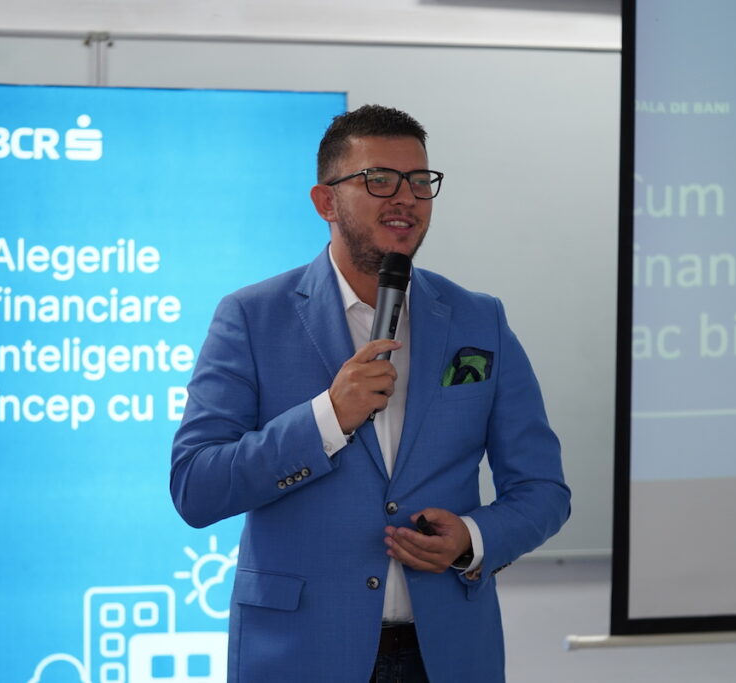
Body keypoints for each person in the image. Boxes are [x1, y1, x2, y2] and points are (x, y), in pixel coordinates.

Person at [170, 104, 570, 682]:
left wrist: (473, 539)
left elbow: (542, 490)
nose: (405, 198)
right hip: (301, 654)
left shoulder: (479, 321)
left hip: (448, 654)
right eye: (379, 180)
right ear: (325, 202)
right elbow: (196, 486)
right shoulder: (252, 318)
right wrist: (327, 418)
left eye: (419, 181)